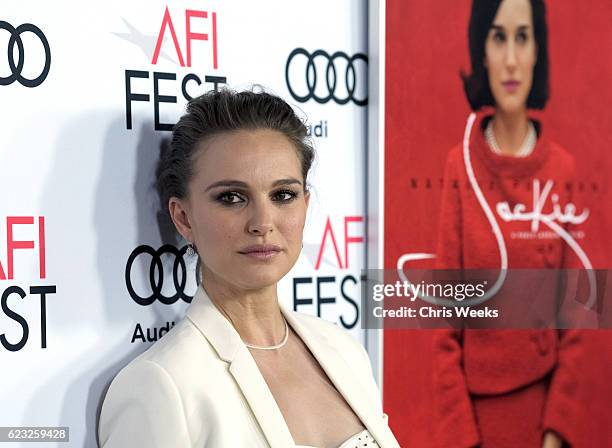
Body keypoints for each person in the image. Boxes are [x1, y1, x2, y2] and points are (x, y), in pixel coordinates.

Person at [97, 89, 399, 448]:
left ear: (305, 204)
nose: (262, 222)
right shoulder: (162, 385)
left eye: (282, 195)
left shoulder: (344, 350)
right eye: (231, 198)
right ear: (183, 217)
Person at [433, 0, 589, 447]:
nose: (512, 57)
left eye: (523, 36)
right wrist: (464, 438)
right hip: (477, 422)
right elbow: (445, 321)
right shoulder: (459, 166)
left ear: (538, 49)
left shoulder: (562, 169)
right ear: (482, 49)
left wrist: (557, 431)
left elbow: (579, 311)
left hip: (545, 419)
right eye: (498, 36)